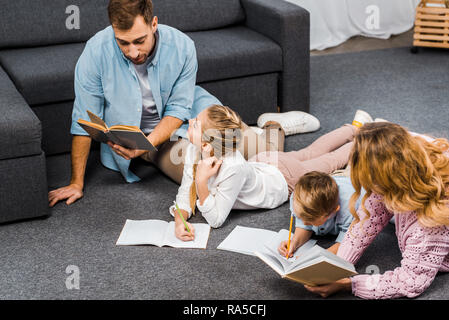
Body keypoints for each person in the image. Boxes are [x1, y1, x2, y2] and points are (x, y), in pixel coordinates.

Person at [48, 0, 315, 207]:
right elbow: (85, 118)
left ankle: (272, 126)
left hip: (190, 115)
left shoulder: (183, 46)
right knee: (208, 178)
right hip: (149, 137)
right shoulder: (95, 52)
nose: (132, 52)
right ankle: (260, 132)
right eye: (123, 43)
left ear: (154, 24)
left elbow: (177, 109)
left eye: (139, 41)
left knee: (261, 152)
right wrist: (76, 183)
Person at [171, 106, 369, 241]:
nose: (190, 121)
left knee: (329, 161)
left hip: (284, 179)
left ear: (206, 144)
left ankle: (366, 138)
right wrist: (180, 220)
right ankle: (355, 128)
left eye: (195, 123)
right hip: (264, 162)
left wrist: (201, 181)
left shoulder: (233, 167)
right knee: (310, 152)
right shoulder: (193, 149)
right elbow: (185, 190)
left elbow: (216, 220)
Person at [304, 122, 449, 299]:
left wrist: (349, 284)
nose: (368, 188)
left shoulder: (429, 222)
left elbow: (409, 281)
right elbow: (369, 218)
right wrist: (338, 265)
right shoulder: (406, 162)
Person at [278, 172, 364, 257]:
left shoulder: (352, 209)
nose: (304, 223)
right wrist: (294, 242)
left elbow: (348, 243)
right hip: (335, 177)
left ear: (333, 211)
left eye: (310, 220)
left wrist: (318, 256)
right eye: (301, 217)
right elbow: (304, 227)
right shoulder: (296, 199)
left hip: (357, 179)